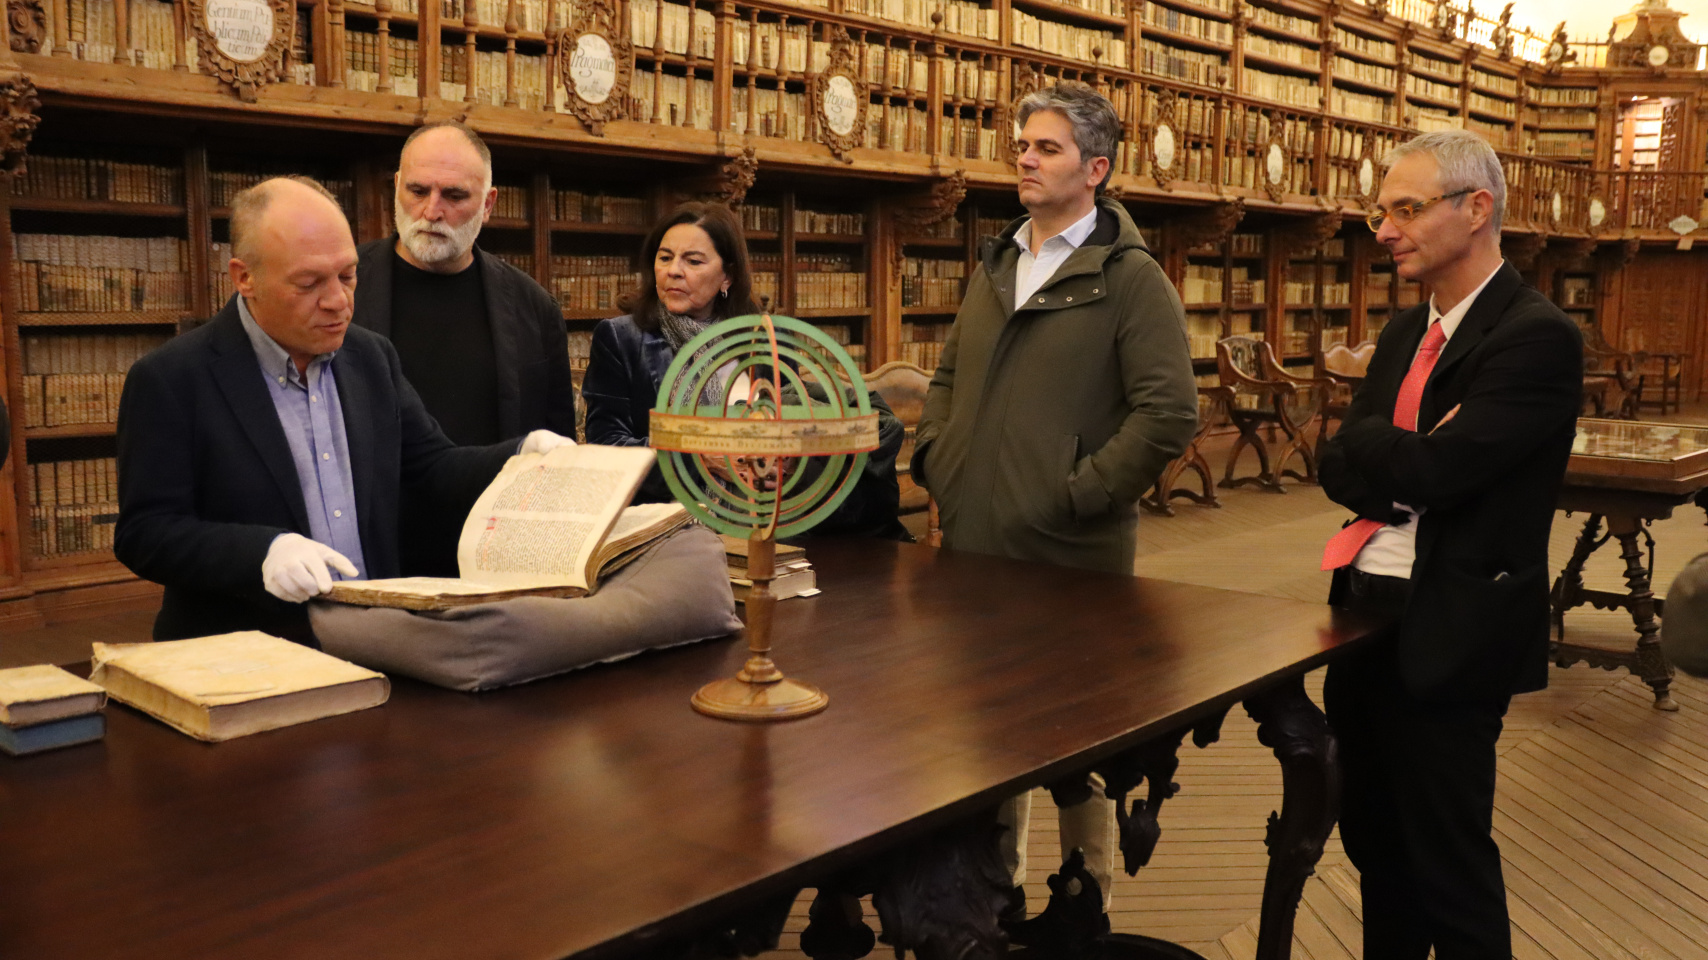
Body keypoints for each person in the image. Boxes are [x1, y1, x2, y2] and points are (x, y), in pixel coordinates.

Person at [910, 83, 1198, 926]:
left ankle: (1083, 905)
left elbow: (1170, 411)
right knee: (984, 726)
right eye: (1023, 145)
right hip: (973, 541)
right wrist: (939, 458)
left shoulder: (1131, 280)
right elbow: (950, 377)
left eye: (1046, 149)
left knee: (1080, 741)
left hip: (1072, 555)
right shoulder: (998, 263)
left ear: (1096, 169)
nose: (1025, 159)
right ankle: (990, 899)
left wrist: (1080, 494)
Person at [1317, 129, 1582, 959]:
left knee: (1447, 858)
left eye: (1405, 208)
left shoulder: (1533, 336)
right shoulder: (1402, 334)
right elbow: (1337, 462)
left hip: (1454, 623)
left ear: (1477, 209)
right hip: (1363, 614)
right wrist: (1403, 457)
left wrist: (1394, 456)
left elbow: (1438, 471)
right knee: (1373, 843)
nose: (1386, 230)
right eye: (1380, 213)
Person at [115, 176, 572, 646]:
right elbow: (145, 533)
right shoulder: (172, 378)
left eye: (348, 275)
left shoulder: (371, 357)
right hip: (246, 654)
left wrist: (519, 455)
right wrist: (261, 552)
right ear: (244, 277)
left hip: (372, 639)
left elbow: (431, 467)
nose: (338, 301)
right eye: (309, 283)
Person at [581, 201, 909, 540]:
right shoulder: (621, 338)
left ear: (728, 275)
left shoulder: (767, 337)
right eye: (665, 258)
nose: (673, 271)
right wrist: (699, 457)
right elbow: (606, 449)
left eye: (692, 261)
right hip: (671, 525)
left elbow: (783, 421)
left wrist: (786, 456)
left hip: (774, 517)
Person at [353, 121, 576, 574]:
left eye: (454, 197)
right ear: (396, 188)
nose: (431, 210)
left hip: (492, 558)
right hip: (371, 552)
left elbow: (558, 451)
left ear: (488, 204)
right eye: (417, 190)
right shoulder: (343, 290)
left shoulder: (534, 308)